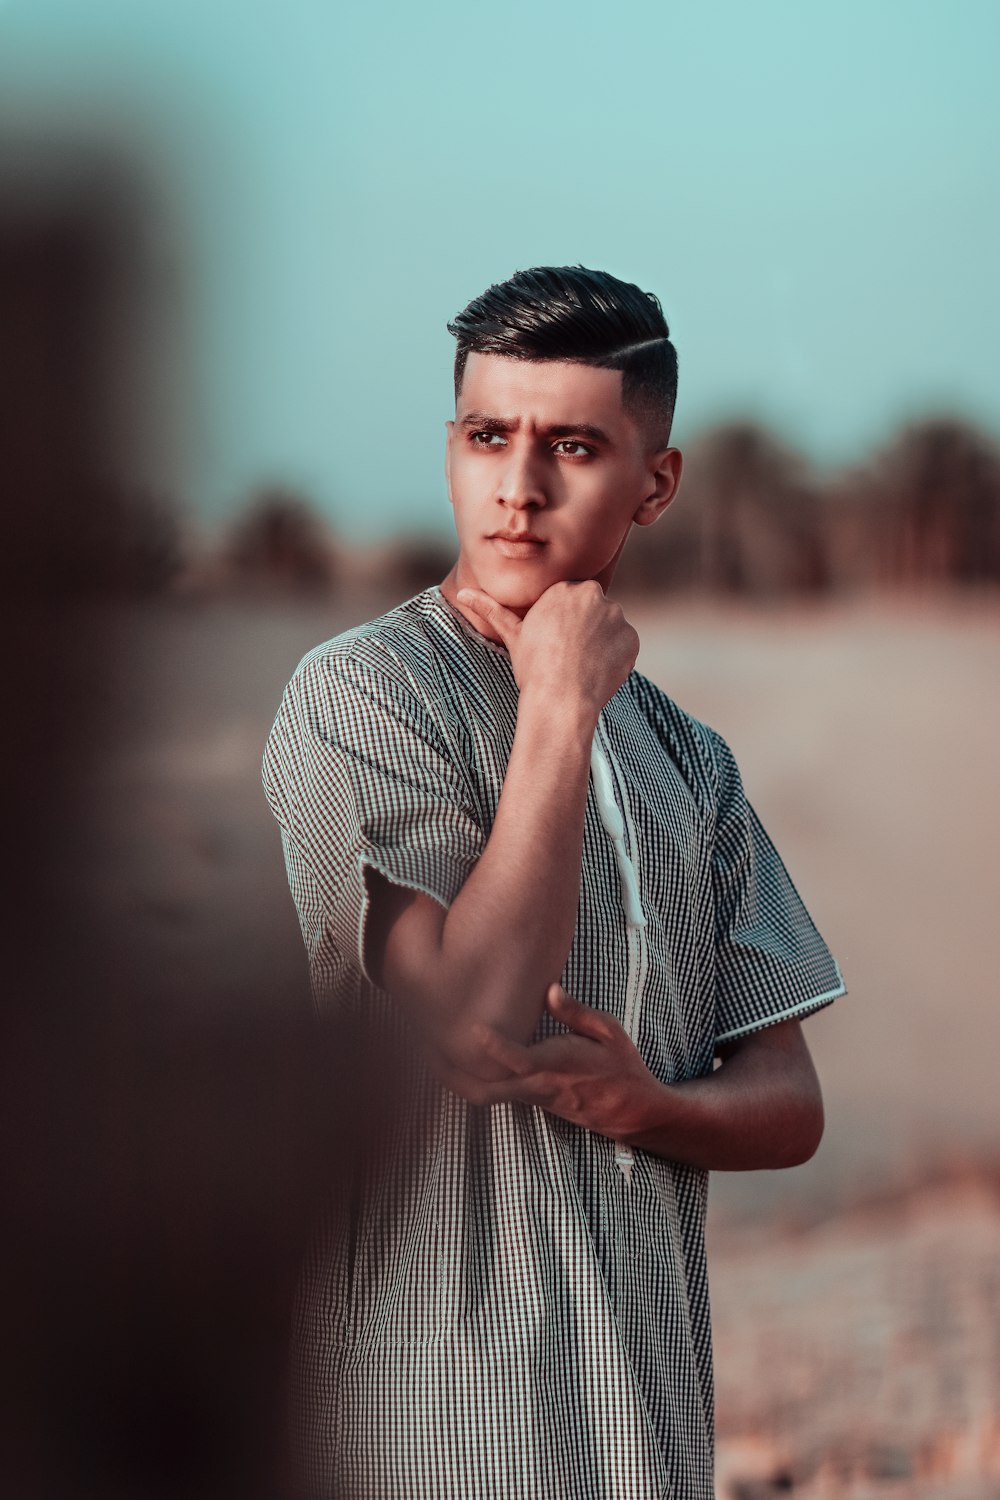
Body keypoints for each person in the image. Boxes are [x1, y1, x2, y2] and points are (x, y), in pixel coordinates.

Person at [261, 265, 846, 1500]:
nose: (516, 489)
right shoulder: (363, 693)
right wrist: (561, 705)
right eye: (487, 436)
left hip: (647, 1429)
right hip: (428, 1423)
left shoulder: (689, 756)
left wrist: (649, 1106)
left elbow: (789, 1101)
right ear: (452, 447)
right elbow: (470, 1028)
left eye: (572, 446)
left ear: (656, 483)